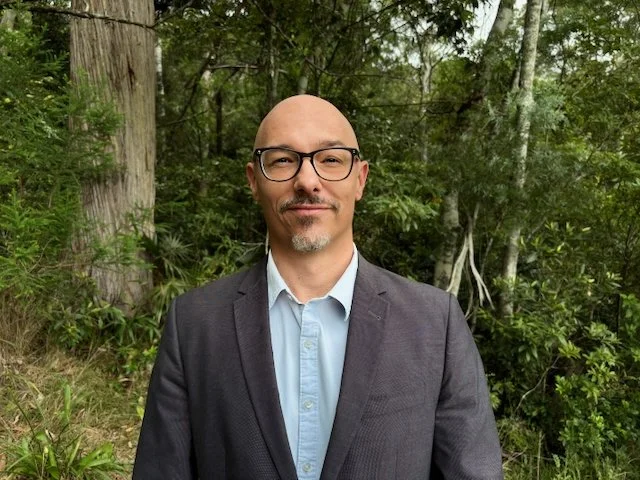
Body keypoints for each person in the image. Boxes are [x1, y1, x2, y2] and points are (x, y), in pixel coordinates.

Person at [133, 95, 503, 479]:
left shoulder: (434, 324)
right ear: (254, 181)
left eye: (330, 160)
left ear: (360, 179)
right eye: (282, 160)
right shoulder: (194, 324)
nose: (307, 181)